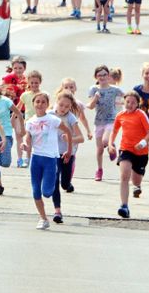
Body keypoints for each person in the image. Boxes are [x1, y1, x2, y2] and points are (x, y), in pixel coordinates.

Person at [24, 92, 72, 230]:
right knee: (35, 192)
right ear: (33, 104)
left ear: (47, 104)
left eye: (43, 102)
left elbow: (68, 131)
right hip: (36, 159)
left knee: (47, 192)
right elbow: (28, 139)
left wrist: (68, 150)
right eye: (37, 101)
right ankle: (43, 218)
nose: (40, 104)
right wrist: (25, 146)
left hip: (50, 159)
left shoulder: (52, 119)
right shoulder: (30, 122)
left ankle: (48, 208)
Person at [109, 91, 149, 219]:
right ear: (124, 102)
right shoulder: (120, 115)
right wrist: (111, 144)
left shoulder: (141, 115)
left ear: (137, 104)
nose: (130, 104)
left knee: (136, 180)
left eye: (133, 103)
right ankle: (124, 206)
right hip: (126, 149)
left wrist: (143, 142)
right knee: (124, 176)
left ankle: (137, 185)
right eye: (128, 102)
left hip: (141, 151)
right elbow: (114, 130)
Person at [0, 79, 25, 196]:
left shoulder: (6, 101)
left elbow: (18, 113)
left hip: (5, 134)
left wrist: (21, 128)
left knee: (6, 162)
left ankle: (2, 159)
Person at [50, 91, 84, 224]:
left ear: (70, 107)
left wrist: (70, 138)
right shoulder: (50, 115)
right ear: (56, 103)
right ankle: (57, 211)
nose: (63, 108)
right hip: (53, 153)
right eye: (61, 105)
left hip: (68, 154)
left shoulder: (71, 118)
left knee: (64, 183)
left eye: (66, 106)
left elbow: (81, 138)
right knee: (55, 180)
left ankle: (68, 184)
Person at [87, 65, 124, 181]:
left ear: (108, 76)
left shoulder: (114, 89)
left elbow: (128, 96)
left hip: (111, 119)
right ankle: (99, 169)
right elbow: (91, 106)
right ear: (96, 77)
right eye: (99, 75)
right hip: (99, 121)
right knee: (99, 149)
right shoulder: (93, 89)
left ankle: (110, 146)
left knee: (105, 140)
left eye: (104, 75)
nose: (102, 77)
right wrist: (95, 98)